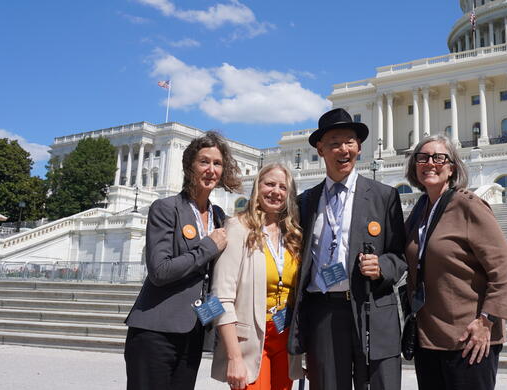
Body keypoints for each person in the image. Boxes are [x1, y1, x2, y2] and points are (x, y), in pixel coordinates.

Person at [287, 108, 406, 390]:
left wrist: (382, 267)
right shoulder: (306, 201)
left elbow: (399, 256)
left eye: (350, 142)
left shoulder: (384, 196)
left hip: (372, 308)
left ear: (360, 147)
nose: (344, 149)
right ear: (320, 149)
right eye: (335, 143)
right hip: (324, 313)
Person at [124, 132, 242, 390]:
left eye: (217, 163)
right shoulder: (166, 208)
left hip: (193, 331)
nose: (211, 170)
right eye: (204, 162)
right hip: (156, 330)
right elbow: (160, 270)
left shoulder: (219, 215)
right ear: (190, 165)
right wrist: (207, 247)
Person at [403, 134, 507, 390]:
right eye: (422, 157)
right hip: (428, 338)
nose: (429, 163)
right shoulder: (419, 210)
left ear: (451, 167)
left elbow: (504, 267)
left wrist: (487, 321)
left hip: (469, 338)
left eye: (438, 157)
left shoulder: (468, 205)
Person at [212, 164, 304, 390]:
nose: (276, 191)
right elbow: (219, 298)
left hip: (284, 336)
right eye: (270, 184)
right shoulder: (238, 228)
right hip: (250, 340)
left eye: (283, 187)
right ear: (257, 187)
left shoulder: (292, 234)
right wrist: (234, 358)